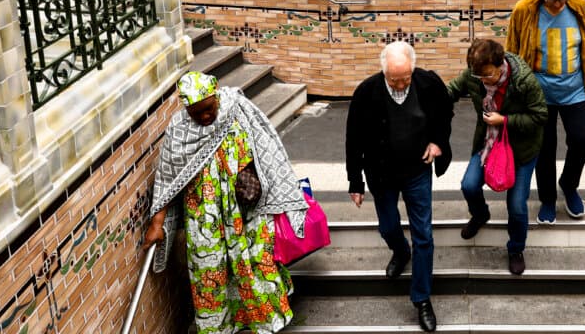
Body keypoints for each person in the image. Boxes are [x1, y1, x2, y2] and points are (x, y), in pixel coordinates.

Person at [143, 71, 307, 334]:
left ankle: (265, 319)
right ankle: (219, 327)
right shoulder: (179, 130)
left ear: (216, 94)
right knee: (210, 272)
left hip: (246, 209)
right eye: (197, 114)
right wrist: (157, 223)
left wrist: (278, 190)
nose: (205, 117)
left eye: (208, 109)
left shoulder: (237, 108)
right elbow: (167, 179)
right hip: (204, 218)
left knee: (254, 262)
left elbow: (266, 148)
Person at [345, 41, 453, 332]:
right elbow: (353, 139)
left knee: (424, 235)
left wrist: (438, 142)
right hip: (382, 174)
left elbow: (445, 113)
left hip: (417, 170)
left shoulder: (428, 83)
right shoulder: (366, 92)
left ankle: (422, 299)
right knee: (388, 226)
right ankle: (400, 251)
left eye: (406, 77)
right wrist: (355, 181)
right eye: (395, 79)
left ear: (413, 68)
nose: (402, 84)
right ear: (383, 72)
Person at [506, 0, 585, 225]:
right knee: (544, 148)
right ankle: (548, 200)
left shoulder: (580, 7)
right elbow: (512, 54)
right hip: (538, 93)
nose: (559, 4)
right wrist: (514, 91)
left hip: (574, 89)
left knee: (582, 139)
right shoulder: (524, 10)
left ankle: (569, 184)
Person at [446, 38, 547, 275]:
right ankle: (481, 214)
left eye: (488, 76)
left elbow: (541, 115)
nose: (483, 81)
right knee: (469, 186)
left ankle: (515, 249)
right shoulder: (475, 75)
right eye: (478, 77)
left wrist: (505, 120)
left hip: (520, 149)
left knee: (517, 206)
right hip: (488, 144)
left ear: (500, 64)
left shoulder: (523, 80)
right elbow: (450, 91)